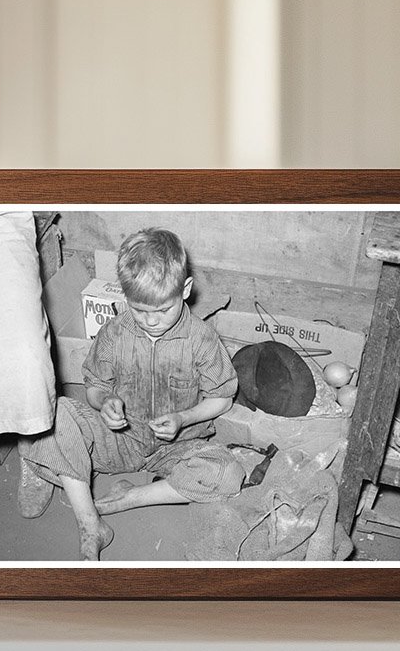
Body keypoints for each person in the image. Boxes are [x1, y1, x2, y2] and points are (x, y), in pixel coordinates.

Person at [17, 227, 245, 560]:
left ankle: (133, 496)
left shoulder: (202, 339)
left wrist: (184, 417)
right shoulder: (115, 332)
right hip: (119, 439)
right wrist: (104, 401)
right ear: (125, 298)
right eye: (140, 310)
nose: (152, 321)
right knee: (55, 415)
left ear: (185, 290)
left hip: (176, 447)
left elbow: (223, 397)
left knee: (227, 473)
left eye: (163, 310)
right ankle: (90, 524)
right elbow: (94, 385)